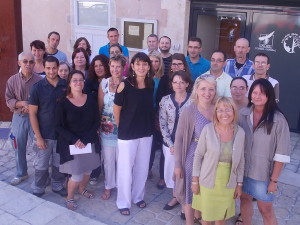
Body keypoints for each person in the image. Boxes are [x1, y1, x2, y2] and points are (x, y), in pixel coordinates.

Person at [238, 79, 291, 225]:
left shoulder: (278, 121)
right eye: (254, 92)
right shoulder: (242, 114)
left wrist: (273, 181)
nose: (257, 96)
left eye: (262, 93)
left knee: (265, 210)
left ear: (269, 96)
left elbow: (282, 154)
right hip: (242, 172)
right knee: (244, 200)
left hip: (263, 175)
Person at [191, 97, 245, 225]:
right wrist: (195, 180)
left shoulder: (240, 132)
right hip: (207, 180)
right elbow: (198, 155)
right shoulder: (208, 129)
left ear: (234, 112)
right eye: (220, 110)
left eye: (227, 110)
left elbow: (241, 160)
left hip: (228, 183)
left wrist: (239, 184)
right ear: (215, 113)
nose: (224, 114)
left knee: (221, 218)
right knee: (207, 217)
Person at [113, 52, 154, 216]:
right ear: (133, 66)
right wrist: (121, 127)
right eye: (138, 64)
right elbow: (117, 110)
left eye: (145, 64)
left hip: (146, 132)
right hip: (127, 134)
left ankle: (138, 197)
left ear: (149, 67)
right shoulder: (124, 85)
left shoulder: (150, 84)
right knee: (124, 169)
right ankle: (123, 201)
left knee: (142, 168)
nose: (141, 67)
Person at [55, 70, 100, 210]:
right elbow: (58, 126)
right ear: (69, 83)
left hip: (89, 141)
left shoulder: (91, 98)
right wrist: (75, 140)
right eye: (74, 80)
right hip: (71, 144)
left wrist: (85, 139)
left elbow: (96, 121)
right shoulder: (62, 102)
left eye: (81, 79)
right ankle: (69, 197)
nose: (78, 82)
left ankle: (82, 189)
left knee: (88, 171)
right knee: (76, 174)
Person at [174, 75, 217, 225]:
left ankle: (205, 219)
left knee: (207, 192)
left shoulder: (219, 109)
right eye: (203, 89)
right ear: (196, 90)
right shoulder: (189, 110)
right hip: (192, 156)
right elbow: (179, 139)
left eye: (211, 89)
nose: (207, 93)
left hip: (213, 158)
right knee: (190, 194)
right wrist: (178, 164)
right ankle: (190, 222)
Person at [28, 56, 67, 197]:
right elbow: (32, 114)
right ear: (44, 68)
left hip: (61, 135)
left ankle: (57, 185)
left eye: (54, 68)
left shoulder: (65, 85)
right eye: (48, 68)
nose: (51, 71)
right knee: (41, 165)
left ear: (58, 68)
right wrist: (38, 137)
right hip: (44, 134)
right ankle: (38, 187)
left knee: (58, 164)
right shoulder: (37, 88)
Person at [5, 52, 42, 185]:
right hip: (19, 117)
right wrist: (22, 103)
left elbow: (43, 100)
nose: (28, 64)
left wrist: (31, 106)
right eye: (25, 61)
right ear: (19, 63)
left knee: (39, 145)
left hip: (35, 118)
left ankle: (41, 175)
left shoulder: (39, 80)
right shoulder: (12, 80)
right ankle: (21, 173)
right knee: (18, 145)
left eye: (31, 62)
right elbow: (8, 99)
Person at [159, 71, 191, 212]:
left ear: (187, 84)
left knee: (186, 172)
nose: (178, 85)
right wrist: (171, 144)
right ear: (171, 84)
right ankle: (175, 197)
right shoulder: (165, 100)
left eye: (182, 82)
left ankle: (185, 202)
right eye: (175, 82)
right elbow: (162, 123)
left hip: (188, 144)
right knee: (172, 171)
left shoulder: (194, 100)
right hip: (170, 144)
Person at [99, 55, 126, 200]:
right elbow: (100, 105)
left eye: (118, 66)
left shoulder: (128, 83)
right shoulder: (104, 83)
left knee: (122, 160)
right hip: (106, 128)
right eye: (112, 66)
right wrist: (98, 125)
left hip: (123, 128)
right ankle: (108, 186)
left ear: (123, 68)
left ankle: (122, 186)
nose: (115, 69)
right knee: (108, 160)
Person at [148, 50, 164, 183]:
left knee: (154, 144)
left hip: (158, 115)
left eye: (156, 61)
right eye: (151, 61)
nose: (154, 64)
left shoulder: (162, 79)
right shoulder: (143, 77)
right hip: (145, 116)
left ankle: (159, 175)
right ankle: (146, 169)